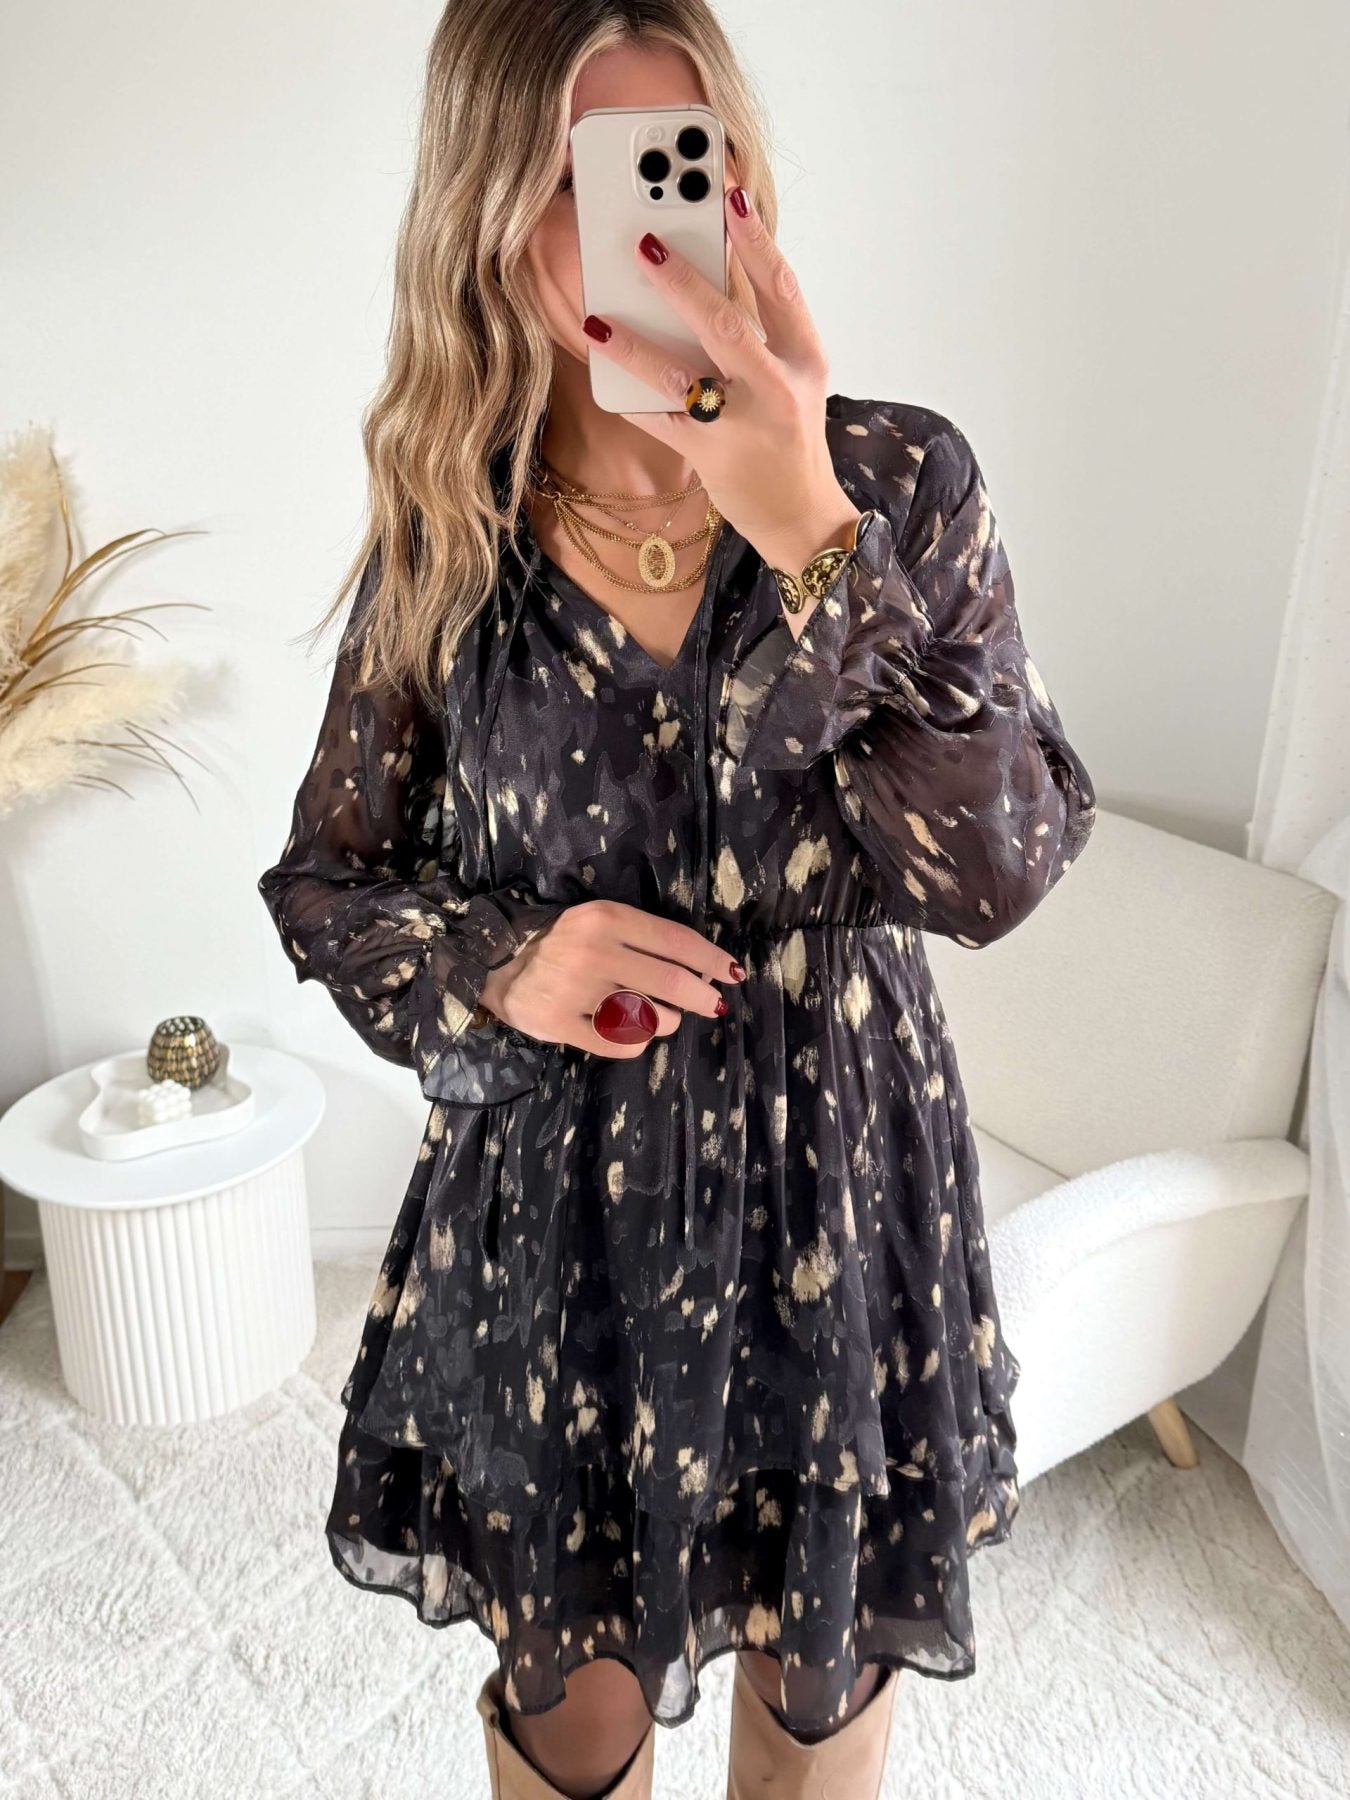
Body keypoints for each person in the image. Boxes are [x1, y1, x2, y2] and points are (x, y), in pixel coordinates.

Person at [256, 4, 1097, 1797]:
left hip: (835, 1194)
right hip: (559, 1221)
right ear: (493, 210)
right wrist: (504, 960)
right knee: (567, 1718)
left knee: (817, 1692)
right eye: (590, 176)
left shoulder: (897, 481)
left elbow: (997, 869)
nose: (644, 231)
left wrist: (810, 538)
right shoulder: (448, 532)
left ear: (740, 186)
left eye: (680, 164)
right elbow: (329, 883)